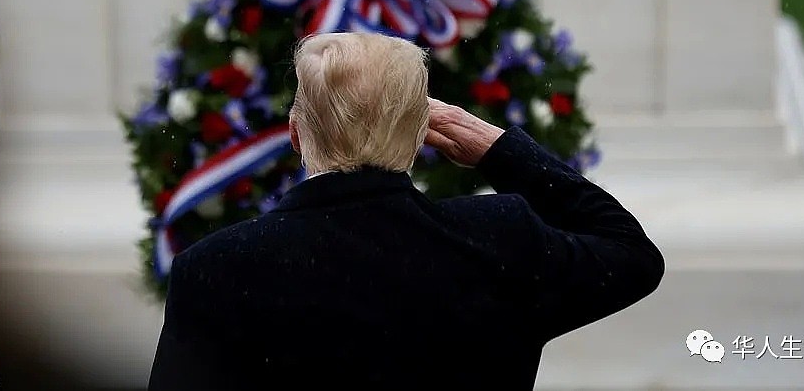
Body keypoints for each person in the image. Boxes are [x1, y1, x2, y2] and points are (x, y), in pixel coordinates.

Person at [148, 32, 664, 390]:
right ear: (423, 137)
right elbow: (631, 253)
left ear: (295, 133)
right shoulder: (499, 241)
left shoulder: (218, 269)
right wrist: (501, 150)